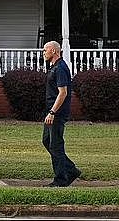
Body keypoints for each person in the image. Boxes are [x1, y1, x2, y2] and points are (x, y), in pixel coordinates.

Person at [42, 41, 82, 187]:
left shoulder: (60, 68)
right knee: (47, 141)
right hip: (51, 111)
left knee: (55, 146)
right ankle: (71, 170)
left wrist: (53, 112)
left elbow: (63, 93)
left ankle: (60, 180)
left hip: (57, 113)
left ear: (53, 51)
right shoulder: (54, 67)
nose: (43, 53)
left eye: (45, 50)